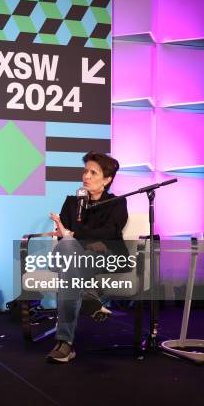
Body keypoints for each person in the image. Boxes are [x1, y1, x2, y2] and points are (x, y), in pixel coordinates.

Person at [46, 151, 128, 363]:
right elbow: (66, 235)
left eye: (93, 172)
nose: (86, 176)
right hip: (68, 254)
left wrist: (76, 235)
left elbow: (110, 233)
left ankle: (64, 343)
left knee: (74, 269)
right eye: (85, 171)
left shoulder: (117, 203)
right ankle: (89, 298)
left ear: (107, 179)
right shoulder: (72, 202)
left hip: (98, 259)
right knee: (69, 247)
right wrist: (71, 236)